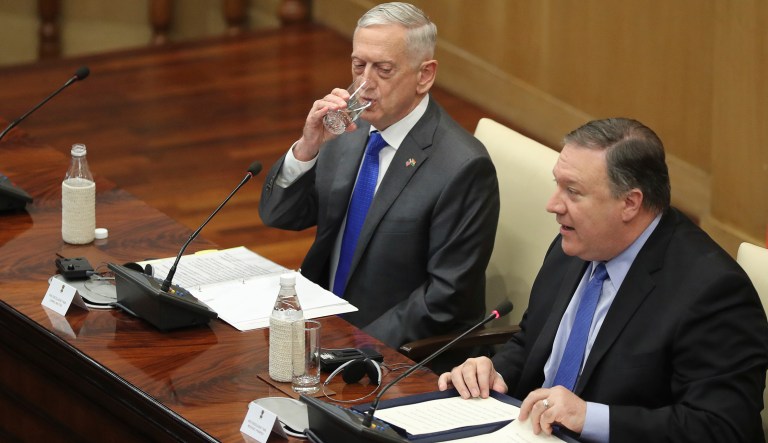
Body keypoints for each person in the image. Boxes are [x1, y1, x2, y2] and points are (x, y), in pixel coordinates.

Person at [438, 118, 768, 442]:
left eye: (573, 191)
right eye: (557, 184)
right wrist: (494, 374)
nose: (552, 205)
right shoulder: (575, 244)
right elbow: (532, 341)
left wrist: (591, 418)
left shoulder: (712, 292)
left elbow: (723, 427)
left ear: (629, 203)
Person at [259, 2, 500, 360]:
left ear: (425, 75)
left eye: (384, 70)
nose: (365, 84)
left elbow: (444, 299)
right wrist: (307, 148)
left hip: (395, 354)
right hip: (321, 325)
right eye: (358, 66)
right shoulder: (347, 131)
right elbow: (281, 216)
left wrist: (351, 346)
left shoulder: (463, 168)